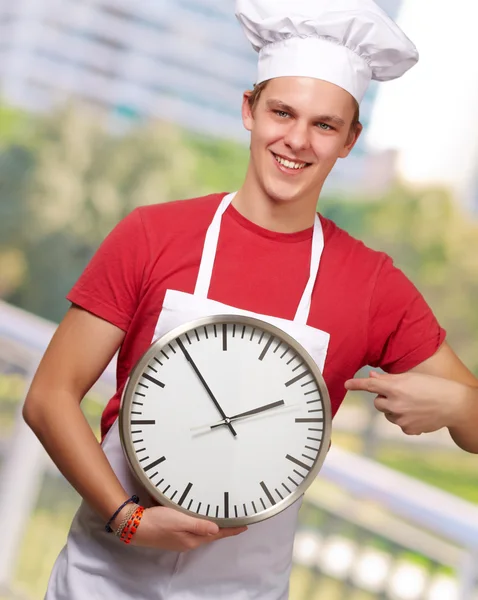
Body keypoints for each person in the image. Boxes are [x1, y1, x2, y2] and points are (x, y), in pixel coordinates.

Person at [23, 0, 478, 598]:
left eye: (325, 124)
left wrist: (455, 407)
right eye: (282, 112)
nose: (297, 140)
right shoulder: (153, 235)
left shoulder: (371, 284)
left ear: (350, 140)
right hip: (103, 578)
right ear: (248, 109)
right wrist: (128, 519)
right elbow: (49, 396)